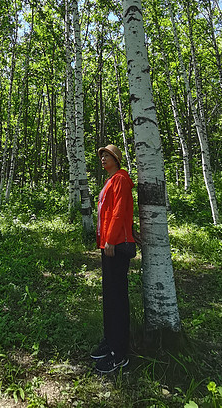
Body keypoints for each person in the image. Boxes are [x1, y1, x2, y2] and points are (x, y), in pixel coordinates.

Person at [91, 144, 135, 373]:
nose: (103, 159)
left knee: (117, 297)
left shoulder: (121, 178)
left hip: (115, 246)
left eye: (107, 156)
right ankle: (110, 343)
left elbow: (119, 211)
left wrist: (110, 239)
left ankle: (119, 354)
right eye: (101, 157)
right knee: (109, 296)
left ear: (116, 159)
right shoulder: (111, 180)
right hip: (108, 245)